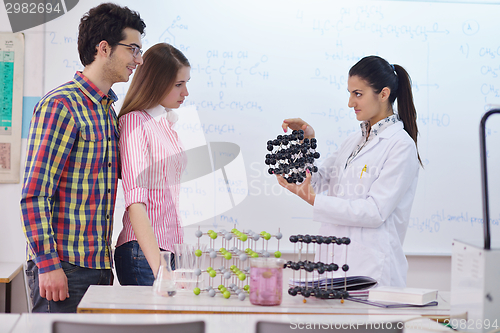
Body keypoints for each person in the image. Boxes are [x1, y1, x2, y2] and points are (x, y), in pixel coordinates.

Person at [20, 3, 146, 312]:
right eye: (133, 49)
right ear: (104, 48)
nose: (138, 60)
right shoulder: (61, 105)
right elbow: (34, 194)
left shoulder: (105, 109)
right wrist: (48, 265)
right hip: (63, 267)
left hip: (99, 266)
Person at [278, 55, 421, 287]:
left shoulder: (400, 146)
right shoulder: (354, 141)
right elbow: (318, 180)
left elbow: (375, 211)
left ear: (383, 94)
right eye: (350, 93)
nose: (350, 103)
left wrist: (315, 201)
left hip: (370, 271)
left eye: (358, 94)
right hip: (335, 265)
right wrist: (306, 142)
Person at [114, 43, 190, 286]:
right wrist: (161, 269)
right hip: (144, 253)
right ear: (156, 82)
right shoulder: (135, 122)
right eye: (179, 85)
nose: (186, 92)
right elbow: (135, 202)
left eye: (186, 83)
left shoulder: (165, 125)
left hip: (166, 251)